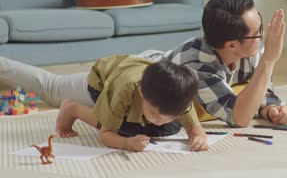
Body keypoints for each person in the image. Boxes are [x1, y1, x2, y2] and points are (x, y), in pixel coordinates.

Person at [138, 0, 287, 127]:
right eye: (257, 32)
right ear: (232, 45)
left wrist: (272, 108)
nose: (262, 36)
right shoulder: (195, 65)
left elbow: (259, 86)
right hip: (141, 69)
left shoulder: (250, 47)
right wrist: (269, 60)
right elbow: (238, 118)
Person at [0, 55, 208, 152]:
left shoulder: (179, 94)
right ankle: (72, 107)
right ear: (141, 93)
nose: (160, 121)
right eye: (154, 113)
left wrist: (197, 136)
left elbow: (194, 127)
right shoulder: (124, 91)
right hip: (103, 79)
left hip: (143, 68)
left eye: (168, 115)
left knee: (166, 129)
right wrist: (126, 144)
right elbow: (107, 134)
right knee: (51, 87)